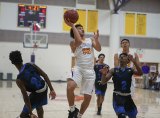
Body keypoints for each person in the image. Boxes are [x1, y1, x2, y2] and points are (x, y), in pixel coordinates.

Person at [64, 18, 101, 118]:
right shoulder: (72, 43)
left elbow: (99, 48)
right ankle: (72, 110)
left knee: (88, 97)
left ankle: (79, 116)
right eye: (79, 28)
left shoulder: (90, 40)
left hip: (90, 72)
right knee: (70, 87)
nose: (82, 29)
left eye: (82, 28)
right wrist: (72, 25)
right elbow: (79, 41)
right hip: (78, 68)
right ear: (74, 32)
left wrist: (96, 39)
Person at [9, 50, 56, 118]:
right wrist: (52, 90)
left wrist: (30, 113)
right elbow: (45, 75)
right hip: (44, 87)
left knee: (23, 115)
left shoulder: (19, 79)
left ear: (12, 62)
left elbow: (26, 97)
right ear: (21, 58)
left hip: (37, 93)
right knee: (38, 105)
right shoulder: (30, 64)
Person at [101, 53, 143, 118]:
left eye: (124, 57)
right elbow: (103, 82)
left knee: (133, 115)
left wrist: (134, 61)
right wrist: (103, 74)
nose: (121, 58)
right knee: (122, 116)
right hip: (117, 97)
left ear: (128, 60)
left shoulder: (130, 70)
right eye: (120, 57)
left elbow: (140, 73)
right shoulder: (113, 70)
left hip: (128, 97)